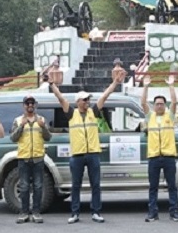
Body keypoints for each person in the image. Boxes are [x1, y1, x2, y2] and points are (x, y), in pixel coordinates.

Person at [49, 69, 124, 224]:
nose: (87, 102)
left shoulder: (93, 112)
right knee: (75, 186)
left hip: (93, 154)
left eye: (88, 99)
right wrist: (52, 85)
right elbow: (60, 98)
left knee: (95, 185)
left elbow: (105, 96)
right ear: (78, 102)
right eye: (84, 100)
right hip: (77, 155)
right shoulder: (71, 113)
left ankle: (96, 212)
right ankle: (75, 213)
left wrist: (115, 83)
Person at [140, 71, 178, 222]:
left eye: (162, 104)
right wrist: (145, 86)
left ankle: (174, 212)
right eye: (157, 104)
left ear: (165, 105)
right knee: (153, 188)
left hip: (169, 156)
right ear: (154, 105)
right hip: (154, 157)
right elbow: (143, 103)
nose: (159, 106)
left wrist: (171, 86)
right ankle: (152, 212)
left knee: (172, 186)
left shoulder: (169, 117)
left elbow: (175, 102)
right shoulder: (150, 116)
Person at [11, 94, 52, 224]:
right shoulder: (17, 120)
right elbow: (13, 138)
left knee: (38, 186)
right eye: (27, 103)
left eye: (32, 103)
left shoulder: (41, 120)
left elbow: (48, 137)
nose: (30, 105)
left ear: (35, 105)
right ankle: (23, 212)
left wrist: (43, 126)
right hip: (23, 157)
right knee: (23, 186)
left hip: (38, 158)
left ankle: (36, 212)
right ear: (23, 106)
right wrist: (21, 126)